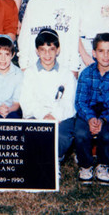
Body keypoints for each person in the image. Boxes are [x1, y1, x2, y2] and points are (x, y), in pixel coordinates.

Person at [74, 33, 109, 185]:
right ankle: (86, 165)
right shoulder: (86, 74)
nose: (105, 56)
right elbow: (80, 102)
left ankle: (104, 165)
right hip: (87, 114)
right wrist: (90, 118)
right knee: (80, 133)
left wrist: (103, 120)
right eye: (101, 51)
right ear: (94, 53)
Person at [19, 28, 77, 161]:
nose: (47, 54)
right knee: (32, 134)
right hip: (37, 115)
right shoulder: (29, 73)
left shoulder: (67, 74)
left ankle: (55, 160)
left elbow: (69, 102)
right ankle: (39, 161)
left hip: (60, 117)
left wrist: (55, 116)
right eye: (43, 50)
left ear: (58, 50)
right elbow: (27, 101)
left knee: (61, 137)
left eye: (51, 49)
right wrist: (44, 115)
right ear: (37, 51)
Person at [18, 0, 80, 74]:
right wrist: (23, 65)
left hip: (63, 66)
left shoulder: (70, 3)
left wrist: (74, 67)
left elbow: (74, 37)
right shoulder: (33, 4)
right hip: (36, 67)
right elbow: (24, 37)